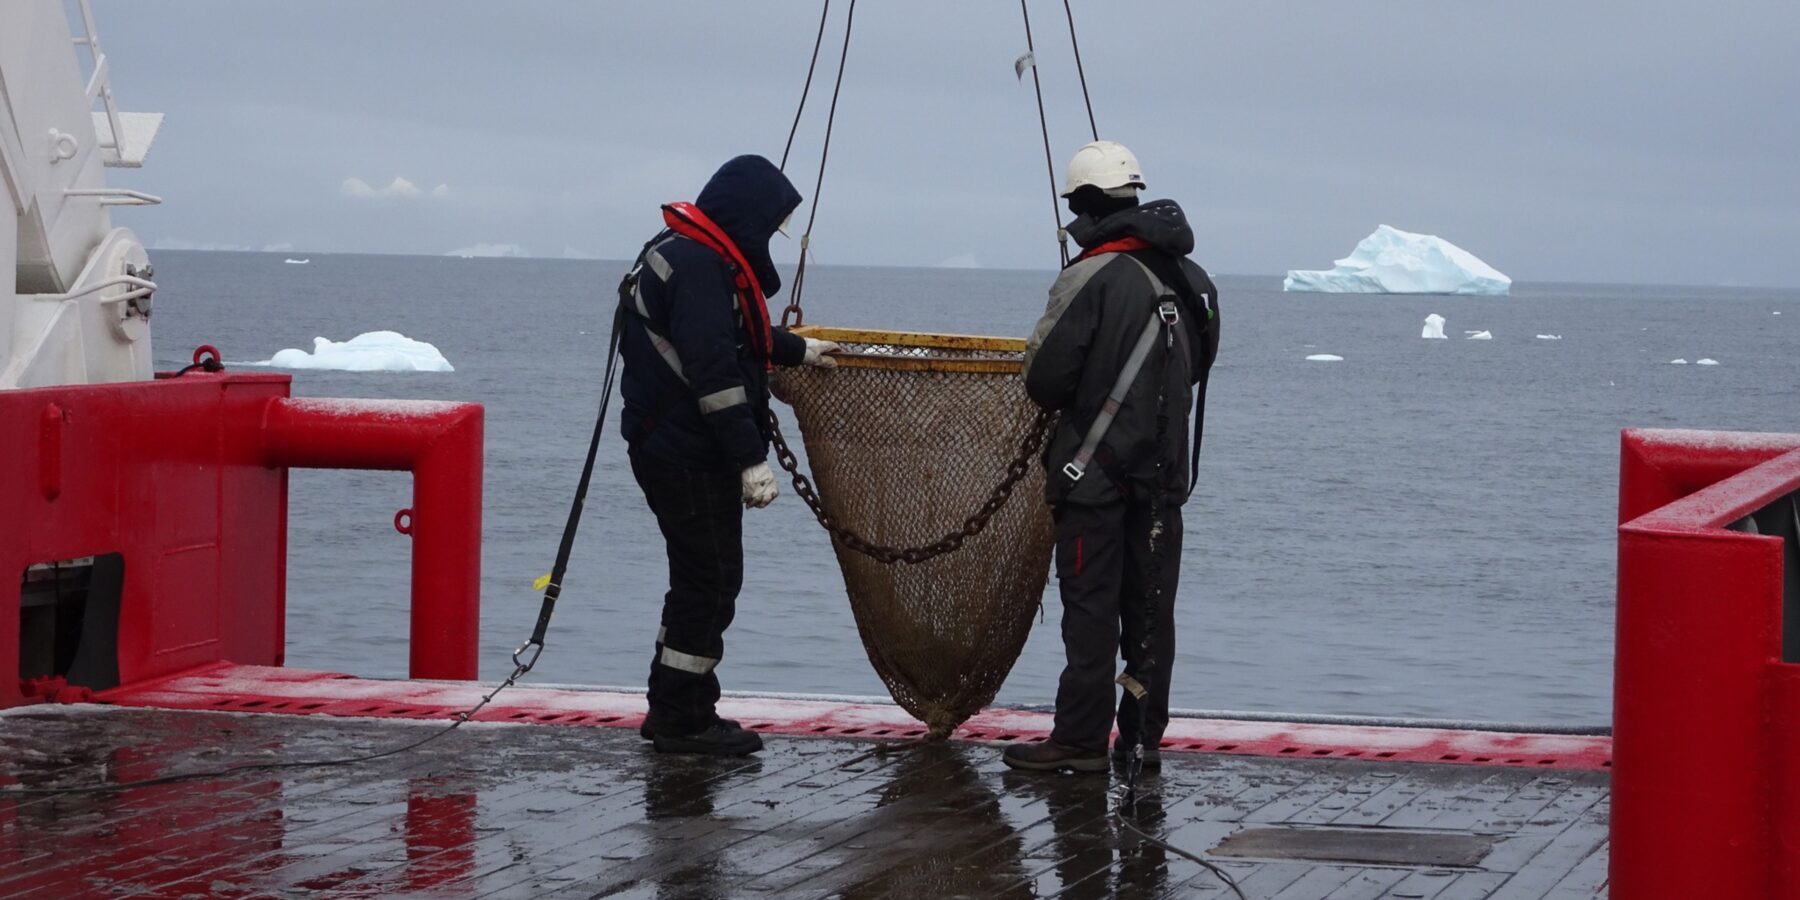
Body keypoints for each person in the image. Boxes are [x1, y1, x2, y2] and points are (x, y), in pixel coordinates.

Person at [1005, 140, 1221, 773]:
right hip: (1164, 481)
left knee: (1092, 612)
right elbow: (1198, 365)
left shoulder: (1090, 275)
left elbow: (1044, 379)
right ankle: (1144, 740)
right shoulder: (1195, 280)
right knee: (1151, 612)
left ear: (1087, 204)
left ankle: (1078, 742)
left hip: (1093, 481)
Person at [618, 154, 839, 756]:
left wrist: (797, 349)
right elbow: (715, 372)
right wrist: (750, 460)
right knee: (709, 581)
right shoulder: (699, 266)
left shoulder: (685, 250)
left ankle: (673, 707)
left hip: (668, 446)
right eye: (769, 225)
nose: (770, 238)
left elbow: (733, 335)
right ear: (746, 216)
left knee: (696, 579)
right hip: (686, 454)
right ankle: (684, 722)